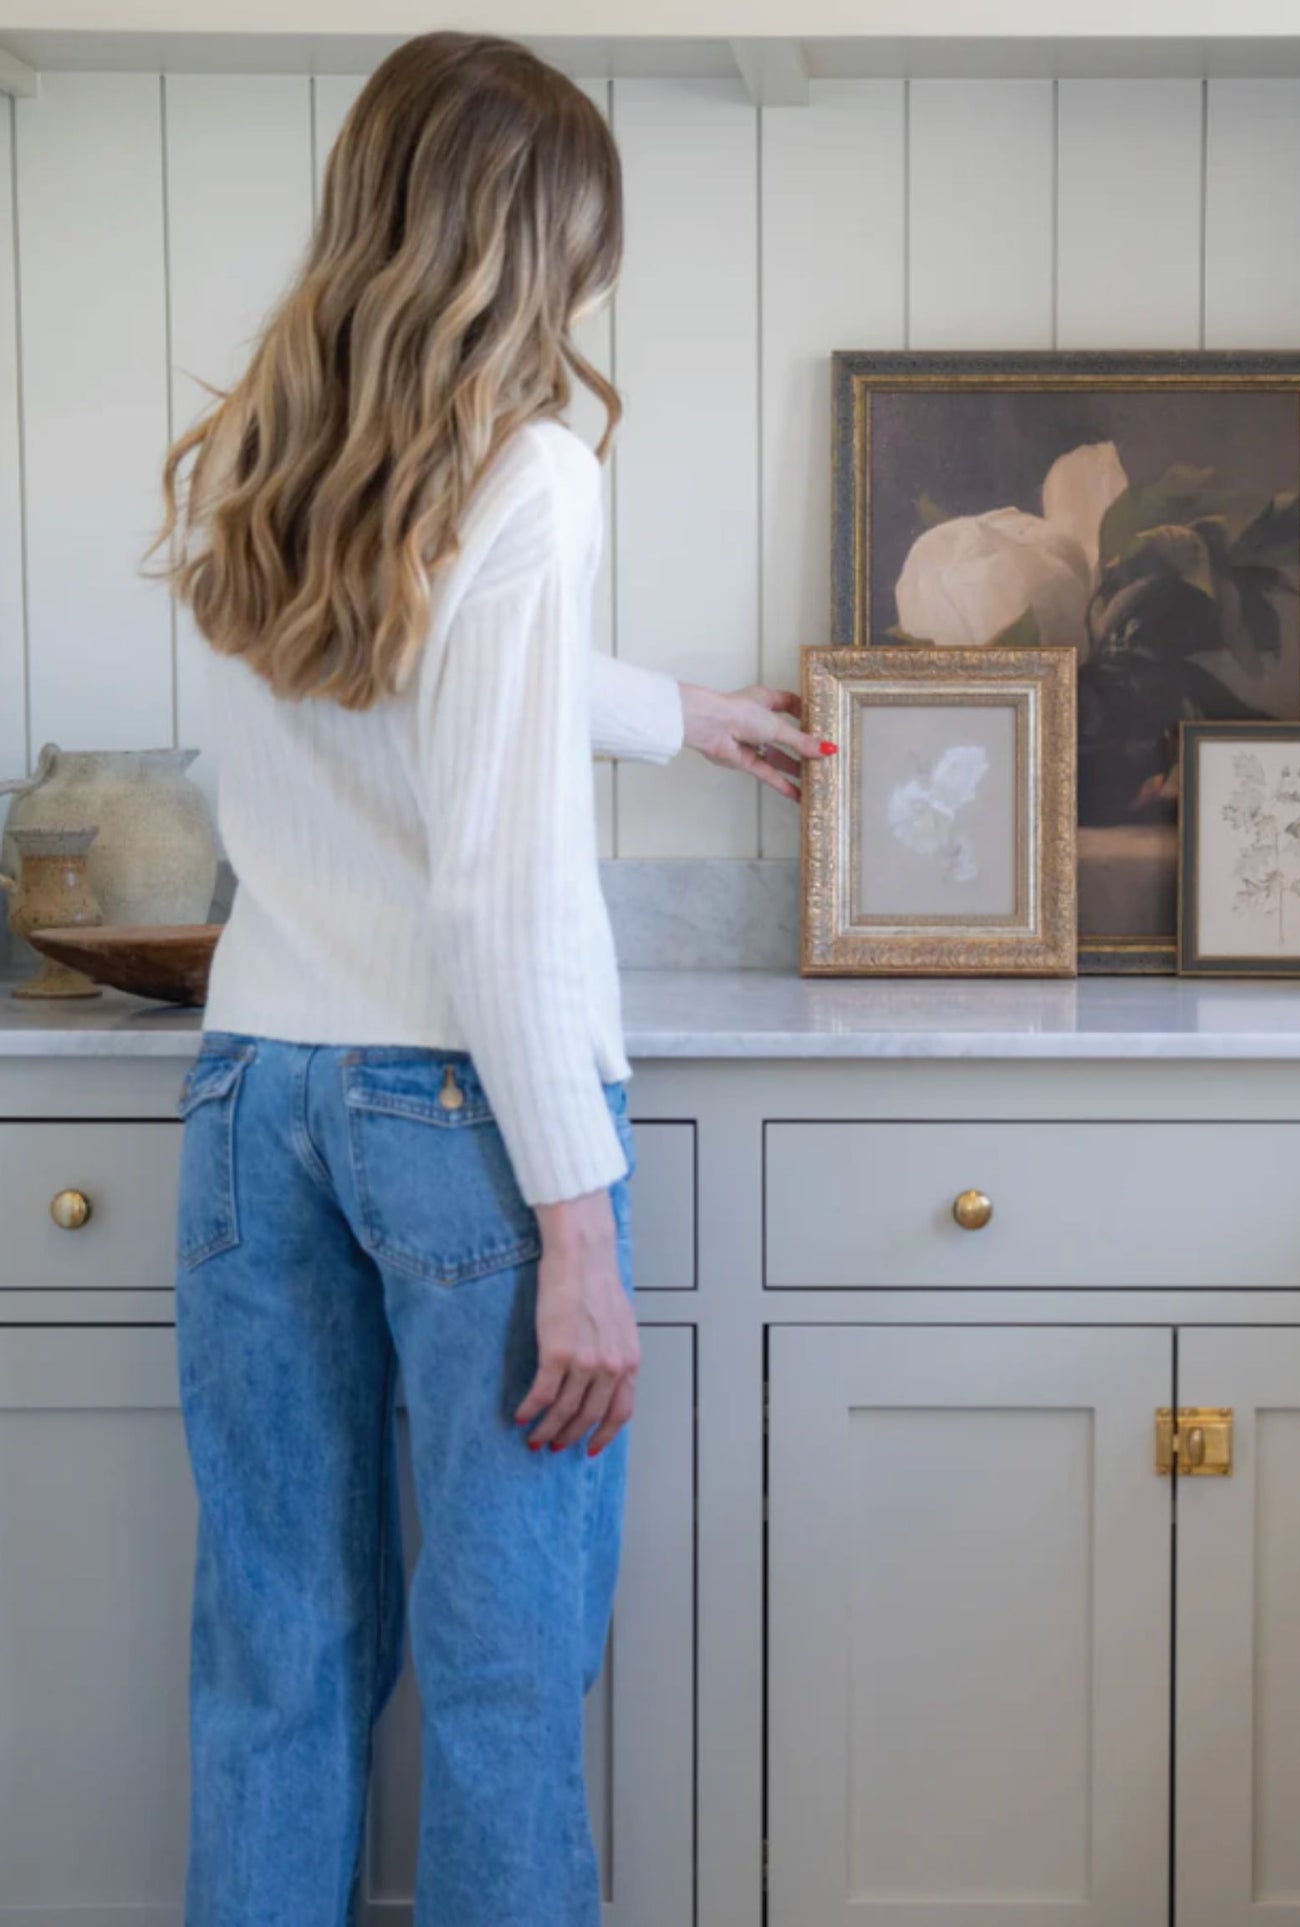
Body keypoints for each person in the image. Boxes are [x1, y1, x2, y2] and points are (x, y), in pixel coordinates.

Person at [151, 31, 832, 1926]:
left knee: (274, 1662)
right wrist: (582, 1237)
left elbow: (407, 677)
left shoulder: (254, 450)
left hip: (249, 1098)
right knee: (508, 1675)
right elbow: (504, 888)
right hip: (455, 1116)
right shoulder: (527, 466)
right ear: (526, 243)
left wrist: (669, 713)